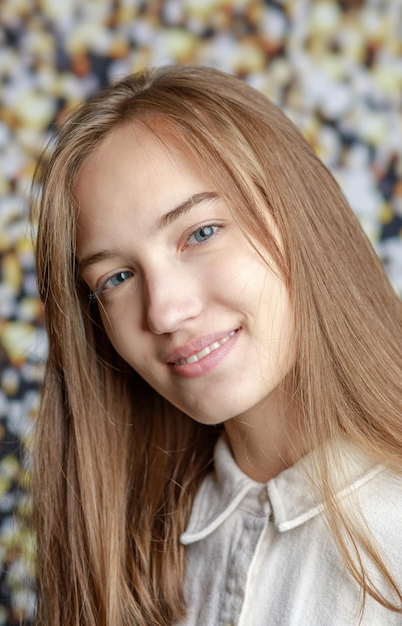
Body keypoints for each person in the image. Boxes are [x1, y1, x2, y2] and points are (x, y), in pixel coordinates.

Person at [31, 65, 402, 625]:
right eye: (116, 278)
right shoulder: (126, 557)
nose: (163, 311)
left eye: (201, 233)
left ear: (298, 218)